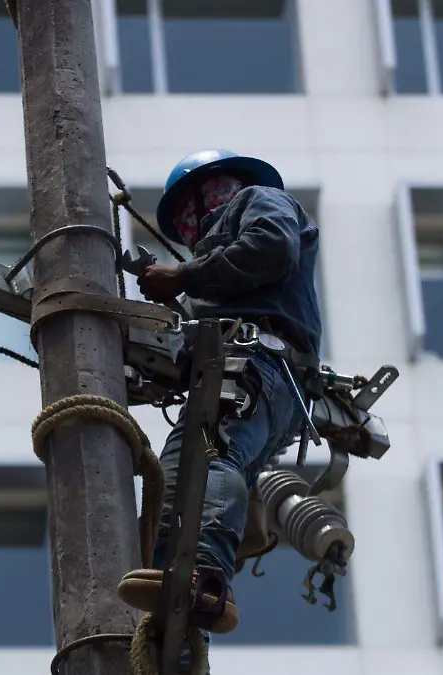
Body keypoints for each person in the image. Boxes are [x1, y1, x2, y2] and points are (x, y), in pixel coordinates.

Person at [116, 149, 323, 668]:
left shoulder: (262, 201)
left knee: (210, 455)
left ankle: (203, 571)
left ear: (219, 190)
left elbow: (271, 247)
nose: (195, 223)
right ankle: (173, 584)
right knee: (179, 469)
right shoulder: (214, 282)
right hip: (255, 374)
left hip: (258, 365)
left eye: (196, 207)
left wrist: (183, 278)